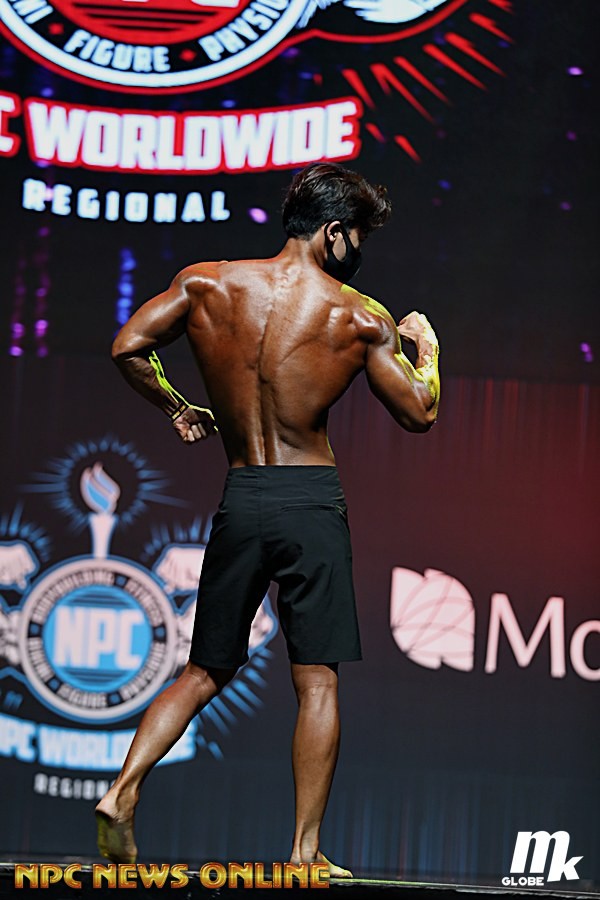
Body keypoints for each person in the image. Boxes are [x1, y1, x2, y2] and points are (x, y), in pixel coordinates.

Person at [95, 162, 440, 874]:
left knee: (203, 670)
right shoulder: (358, 316)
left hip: (243, 495)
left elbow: (128, 347)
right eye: (359, 235)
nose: (360, 249)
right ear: (334, 232)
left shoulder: (207, 284)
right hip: (310, 502)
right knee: (317, 683)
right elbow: (419, 413)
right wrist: (428, 354)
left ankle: (122, 792)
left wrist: (178, 407)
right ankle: (304, 853)